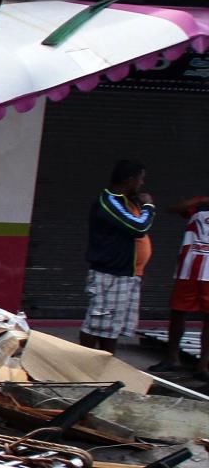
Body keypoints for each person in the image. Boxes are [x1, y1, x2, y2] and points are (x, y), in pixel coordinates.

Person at [80, 161, 154, 353]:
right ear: (129, 180)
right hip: (108, 274)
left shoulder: (126, 201)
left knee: (112, 327)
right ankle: (83, 363)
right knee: (96, 323)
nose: (141, 183)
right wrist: (149, 207)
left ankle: (106, 364)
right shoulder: (109, 201)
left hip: (126, 273)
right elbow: (139, 228)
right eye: (140, 179)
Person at [154, 193, 209, 381]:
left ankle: (203, 365)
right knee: (178, 311)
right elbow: (173, 208)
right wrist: (199, 200)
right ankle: (172, 358)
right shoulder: (200, 204)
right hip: (188, 268)